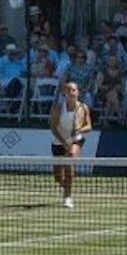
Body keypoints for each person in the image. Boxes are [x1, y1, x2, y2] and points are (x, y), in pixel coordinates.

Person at [49, 80, 92, 209]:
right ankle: (66, 186)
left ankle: (68, 196)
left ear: (77, 92)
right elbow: (53, 128)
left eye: (73, 90)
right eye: (68, 90)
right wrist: (63, 142)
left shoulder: (83, 108)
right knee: (58, 177)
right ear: (64, 93)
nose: (71, 93)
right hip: (59, 141)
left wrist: (79, 130)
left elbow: (89, 126)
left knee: (70, 158)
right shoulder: (58, 108)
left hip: (75, 140)